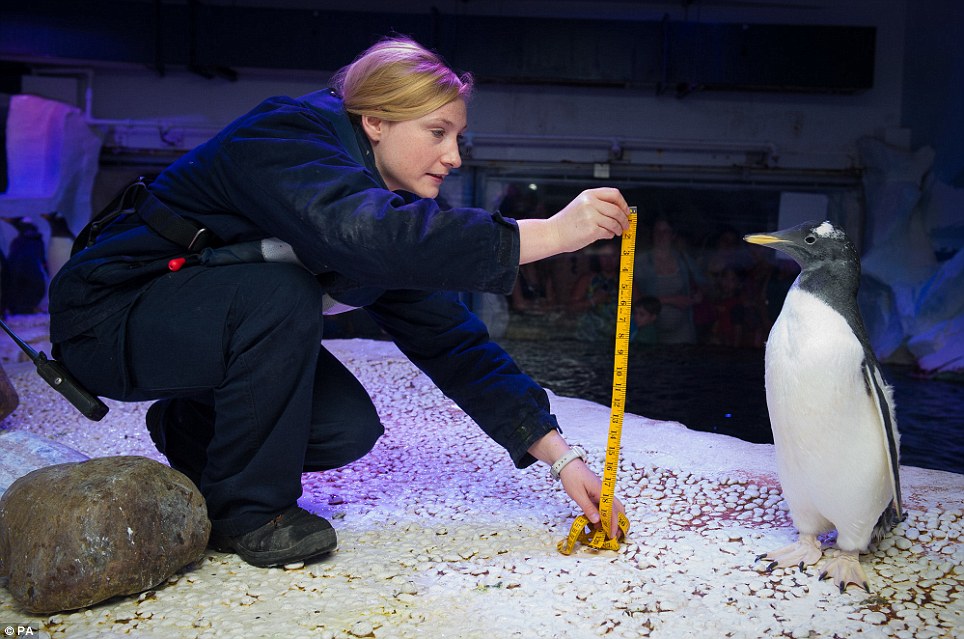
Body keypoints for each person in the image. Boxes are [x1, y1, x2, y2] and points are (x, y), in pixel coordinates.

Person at [47, 36, 630, 568]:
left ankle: (193, 436)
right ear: (375, 121)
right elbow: (364, 232)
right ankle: (249, 514)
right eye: (437, 132)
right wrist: (550, 234)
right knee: (282, 289)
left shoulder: (380, 211)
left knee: (342, 428)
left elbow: (453, 342)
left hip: (185, 330)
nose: (454, 156)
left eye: (458, 137)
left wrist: (561, 459)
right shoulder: (284, 137)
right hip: (107, 317)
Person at [633, 216, 705, 344]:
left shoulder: (683, 259)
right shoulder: (640, 262)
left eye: (665, 231)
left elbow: (704, 285)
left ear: (673, 235)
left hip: (683, 332)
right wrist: (672, 300)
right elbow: (633, 298)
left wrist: (698, 295)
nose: (661, 235)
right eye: (657, 231)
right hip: (650, 333)